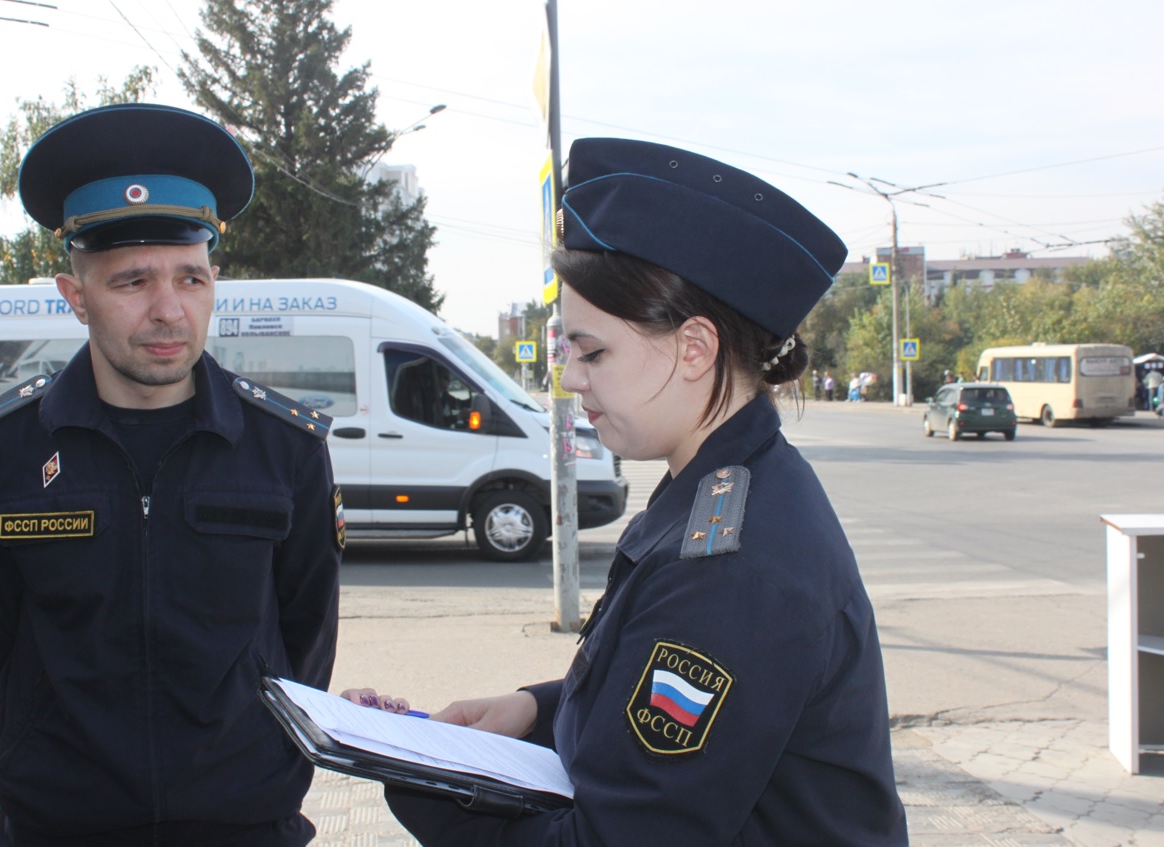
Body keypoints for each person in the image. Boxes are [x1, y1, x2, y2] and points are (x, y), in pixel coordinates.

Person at [355, 138, 907, 845]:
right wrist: (534, 709)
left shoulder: (727, 567)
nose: (570, 378)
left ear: (694, 348)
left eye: (592, 352)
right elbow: (656, 707)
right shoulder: (719, 485)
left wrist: (420, 777)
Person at [0, 104, 343, 846]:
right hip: (57, 829)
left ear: (213, 281)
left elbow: (305, 643)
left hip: (245, 826)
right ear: (76, 297)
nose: (169, 310)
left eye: (190, 278)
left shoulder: (284, 446)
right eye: (131, 281)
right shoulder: (1, 452)